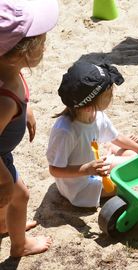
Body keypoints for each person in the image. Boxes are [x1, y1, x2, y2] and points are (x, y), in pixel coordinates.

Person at [0, 0, 59, 257]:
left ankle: (4, 224)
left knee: (8, 199)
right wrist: (3, 178)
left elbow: (18, 95)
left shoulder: (7, 72)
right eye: (41, 42)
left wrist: (26, 111)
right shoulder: (4, 99)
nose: (45, 46)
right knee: (19, 195)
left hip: (4, 152)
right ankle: (19, 245)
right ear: (19, 53)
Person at [46, 61, 138, 208]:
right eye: (108, 93)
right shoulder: (65, 132)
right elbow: (54, 170)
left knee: (131, 153)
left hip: (94, 167)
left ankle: (112, 151)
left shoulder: (97, 115)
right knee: (127, 179)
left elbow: (117, 137)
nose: (112, 94)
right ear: (88, 106)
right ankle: (112, 152)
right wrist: (87, 169)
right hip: (80, 188)